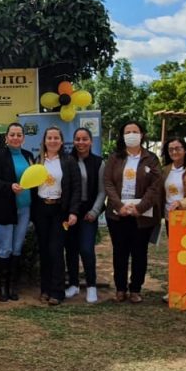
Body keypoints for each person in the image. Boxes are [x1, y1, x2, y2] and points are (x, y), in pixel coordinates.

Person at [103, 120, 162, 304]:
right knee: (120, 252)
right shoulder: (115, 157)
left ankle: (135, 289)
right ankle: (120, 289)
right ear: (122, 135)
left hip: (142, 216)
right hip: (117, 214)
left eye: (134, 131)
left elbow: (155, 185)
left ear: (142, 134)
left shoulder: (151, 158)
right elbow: (108, 183)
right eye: (127, 131)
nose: (131, 134)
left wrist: (140, 207)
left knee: (139, 253)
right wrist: (119, 205)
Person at [32, 127, 81, 306]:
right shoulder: (38, 161)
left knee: (56, 250)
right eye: (49, 137)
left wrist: (73, 212)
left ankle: (57, 292)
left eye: (56, 138)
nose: (52, 141)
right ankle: (45, 289)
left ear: (61, 141)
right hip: (41, 210)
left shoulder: (69, 161)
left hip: (60, 211)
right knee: (44, 250)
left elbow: (76, 188)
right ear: (44, 141)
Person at [0, 122, 34, 302]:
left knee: (17, 248)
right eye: (12, 135)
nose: (15, 138)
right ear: (6, 137)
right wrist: (9, 187)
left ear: (23, 138)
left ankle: (13, 285)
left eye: (19, 135)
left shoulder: (29, 156)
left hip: (24, 208)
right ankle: (2, 286)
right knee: (4, 248)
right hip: (4, 208)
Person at [65, 127, 104, 304]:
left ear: (91, 141)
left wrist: (94, 212)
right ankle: (73, 284)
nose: (81, 142)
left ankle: (91, 286)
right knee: (71, 249)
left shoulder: (98, 163)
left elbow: (103, 191)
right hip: (70, 212)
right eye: (77, 139)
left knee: (87, 249)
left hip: (89, 213)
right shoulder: (67, 160)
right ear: (73, 141)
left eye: (84, 139)